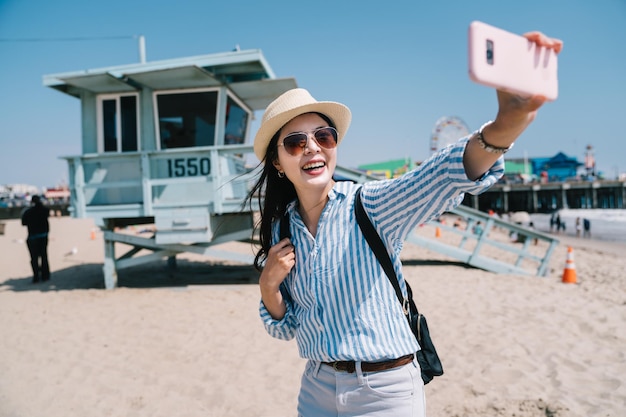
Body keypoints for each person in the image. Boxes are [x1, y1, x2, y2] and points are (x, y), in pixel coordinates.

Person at [245, 32, 562, 417]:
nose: (313, 147)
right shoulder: (282, 231)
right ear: (278, 163)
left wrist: (506, 125)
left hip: (384, 390)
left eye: (323, 136)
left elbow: (441, 176)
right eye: (295, 142)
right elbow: (286, 327)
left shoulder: (370, 205)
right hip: (316, 387)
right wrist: (268, 284)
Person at [21, 195, 50, 283]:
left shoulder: (28, 212)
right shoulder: (44, 210)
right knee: (44, 256)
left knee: (34, 258)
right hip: (43, 236)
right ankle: (45, 276)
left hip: (32, 237)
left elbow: (23, 223)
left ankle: (36, 276)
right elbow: (47, 212)